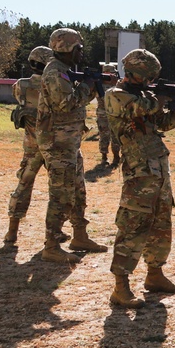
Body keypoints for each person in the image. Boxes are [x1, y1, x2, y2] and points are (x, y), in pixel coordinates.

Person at [105, 48, 175, 309]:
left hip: (158, 169)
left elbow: (164, 123)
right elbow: (142, 108)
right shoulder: (116, 95)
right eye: (148, 77)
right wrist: (161, 96)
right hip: (138, 172)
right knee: (133, 224)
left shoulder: (147, 95)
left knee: (161, 223)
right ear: (137, 74)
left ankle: (155, 274)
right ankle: (120, 286)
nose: (150, 82)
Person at [36, 28, 108, 263]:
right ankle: (52, 245)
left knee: (77, 191)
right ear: (67, 48)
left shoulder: (65, 71)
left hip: (68, 143)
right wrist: (88, 86)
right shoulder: (55, 72)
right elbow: (67, 103)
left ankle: (80, 236)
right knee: (61, 194)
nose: (81, 52)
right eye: (78, 48)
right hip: (57, 144)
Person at [1, 46, 54, 248]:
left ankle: (12, 232)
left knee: (23, 185)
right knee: (60, 190)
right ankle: (56, 231)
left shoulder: (20, 85)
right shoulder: (54, 85)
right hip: (53, 145)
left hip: (31, 145)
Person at [96, 64, 120, 167]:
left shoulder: (117, 85)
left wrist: (116, 84)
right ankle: (104, 157)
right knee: (104, 136)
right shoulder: (98, 85)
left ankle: (116, 157)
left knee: (115, 137)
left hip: (115, 115)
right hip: (103, 115)